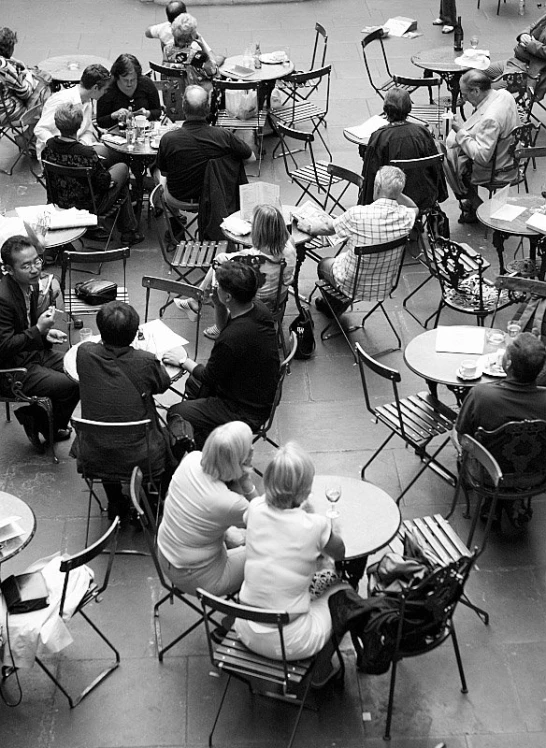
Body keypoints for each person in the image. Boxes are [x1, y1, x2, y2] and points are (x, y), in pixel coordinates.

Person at [235, 442, 347, 686]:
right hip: (290, 642)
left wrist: (249, 487)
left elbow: (258, 507)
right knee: (345, 593)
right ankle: (321, 669)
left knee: (307, 577)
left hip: (245, 629)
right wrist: (329, 529)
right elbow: (340, 554)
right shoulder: (315, 525)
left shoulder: (254, 509)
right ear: (305, 489)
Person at [162, 261, 280, 449]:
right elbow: (226, 328)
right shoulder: (257, 308)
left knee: (177, 412)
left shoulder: (231, 340)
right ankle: (203, 434)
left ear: (228, 296)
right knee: (193, 385)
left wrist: (184, 360)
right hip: (259, 391)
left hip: (244, 411)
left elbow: (209, 377)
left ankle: (204, 453)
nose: (214, 288)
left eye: (218, 287)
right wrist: (218, 305)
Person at [73, 301, 171, 519]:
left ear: (100, 330)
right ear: (135, 333)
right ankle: (149, 501)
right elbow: (162, 385)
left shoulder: (84, 353)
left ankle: (115, 501)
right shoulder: (145, 361)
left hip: (94, 452)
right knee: (168, 433)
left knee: (108, 435)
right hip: (141, 454)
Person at [295, 166, 417, 314]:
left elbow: (327, 228)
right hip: (384, 285)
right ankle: (335, 305)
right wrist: (395, 192)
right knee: (344, 259)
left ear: (377, 187)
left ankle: (333, 308)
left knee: (323, 264)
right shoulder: (406, 216)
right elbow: (413, 206)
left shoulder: (357, 214)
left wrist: (307, 227)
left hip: (352, 284)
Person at [157, 421, 259, 597]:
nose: (253, 451)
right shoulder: (229, 503)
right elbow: (270, 520)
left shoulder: (192, 459)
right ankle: (251, 610)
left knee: (236, 534)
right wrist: (247, 483)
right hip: (200, 580)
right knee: (273, 551)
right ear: (241, 458)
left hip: (165, 555)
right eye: (249, 448)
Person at [0, 236, 79, 450]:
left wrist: (45, 334)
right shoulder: (3, 298)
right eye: (26, 266)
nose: (35, 269)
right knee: (71, 385)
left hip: (33, 352)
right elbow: (3, 347)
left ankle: (36, 417)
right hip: (12, 368)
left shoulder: (31, 285)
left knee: (81, 367)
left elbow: (27, 326)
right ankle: (44, 424)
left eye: (37, 261)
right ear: (8, 269)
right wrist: (38, 330)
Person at [176, 203, 296, 340]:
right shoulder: (289, 246)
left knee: (218, 268)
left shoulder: (250, 259)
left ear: (258, 231)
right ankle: (196, 299)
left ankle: (212, 315)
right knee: (222, 265)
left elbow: (227, 263)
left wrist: (231, 257)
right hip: (278, 298)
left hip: (252, 302)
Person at [41, 103, 144, 246]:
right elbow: (103, 183)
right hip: (89, 206)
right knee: (122, 169)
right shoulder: (86, 154)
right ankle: (128, 231)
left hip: (59, 201)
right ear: (79, 125)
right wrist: (109, 178)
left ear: (57, 124)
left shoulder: (48, 147)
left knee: (110, 164)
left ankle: (128, 230)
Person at [155, 85, 254, 205]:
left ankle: (173, 217)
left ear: (183, 107)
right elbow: (251, 157)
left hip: (179, 197)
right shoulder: (224, 136)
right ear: (207, 108)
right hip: (215, 197)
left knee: (159, 174)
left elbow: (164, 172)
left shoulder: (168, 139)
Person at [444, 69, 520, 224]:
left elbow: (482, 157)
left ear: (476, 91)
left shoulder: (490, 118)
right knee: (460, 153)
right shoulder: (504, 95)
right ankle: (473, 204)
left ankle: (477, 206)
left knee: (450, 160)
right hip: (512, 156)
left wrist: (460, 132)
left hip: (498, 167)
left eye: (465, 95)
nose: (463, 99)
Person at [359, 88, 448, 212]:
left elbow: (370, 175)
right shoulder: (422, 131)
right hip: (424, 196)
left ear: (386, 109)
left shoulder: (379, 137)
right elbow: (435, 169)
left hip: (392, 198)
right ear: (409, 108)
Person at [455, 333, 546, 442]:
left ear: (508, 363)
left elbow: (463, 437)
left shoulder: (480, 395)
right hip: (536, 458)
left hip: (487, 459)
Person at [34, 63, 111, 161]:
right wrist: (61, 147)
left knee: (109, 154)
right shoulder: (61, 101)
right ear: (95, 88)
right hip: (55, 155)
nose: (105, 92)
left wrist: (81, 146)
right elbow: (40, 129)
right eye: (105, 89)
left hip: (76, 149)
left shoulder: (88, 100)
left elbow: (86, 129)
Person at [0, 27, 51, 145]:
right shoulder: (4, 67)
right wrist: (27, 73)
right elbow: (25, 92)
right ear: (10, 47)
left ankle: (30, 136)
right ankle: (30, 138)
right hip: (5, 112)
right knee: (45, 93)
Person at [486, 12, 546, 103]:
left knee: (487, 91)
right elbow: (532, 26)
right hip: (515, 61)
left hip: (528, 71)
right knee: (477, 71)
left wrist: (531, 44)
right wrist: (524, 35)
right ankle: (463, 98)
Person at [96, 54, 161, 129]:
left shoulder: (146, 83)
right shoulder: (108, 89)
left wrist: (147, 113)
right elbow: (100, 121)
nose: (129, 83)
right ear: (117, 77)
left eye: (133, 80)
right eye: (125, 80)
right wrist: (114, 115)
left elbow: (157, 111)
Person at [162, 13, 220, 89]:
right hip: (196, 92)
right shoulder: (196, 52)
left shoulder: (167, 49)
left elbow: (164, 70)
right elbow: (213, 72)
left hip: (174, 92)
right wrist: (202, 46)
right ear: (191, 37)